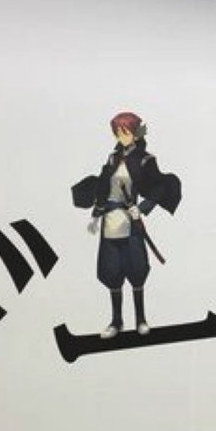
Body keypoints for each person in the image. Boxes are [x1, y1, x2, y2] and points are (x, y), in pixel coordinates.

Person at [76, 112, 181, 339]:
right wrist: (96, 215)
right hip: (110, 221)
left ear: (134, 133)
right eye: (117, 132)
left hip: (131, 221)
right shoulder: (112, 158)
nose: (120, 136)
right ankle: (116, 321)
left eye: (124, 131)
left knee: (136, 269)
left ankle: (141, 319)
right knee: (112, 270)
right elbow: (103, 187)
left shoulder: (145, 160)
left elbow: (159, 187)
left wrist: (142, 207)